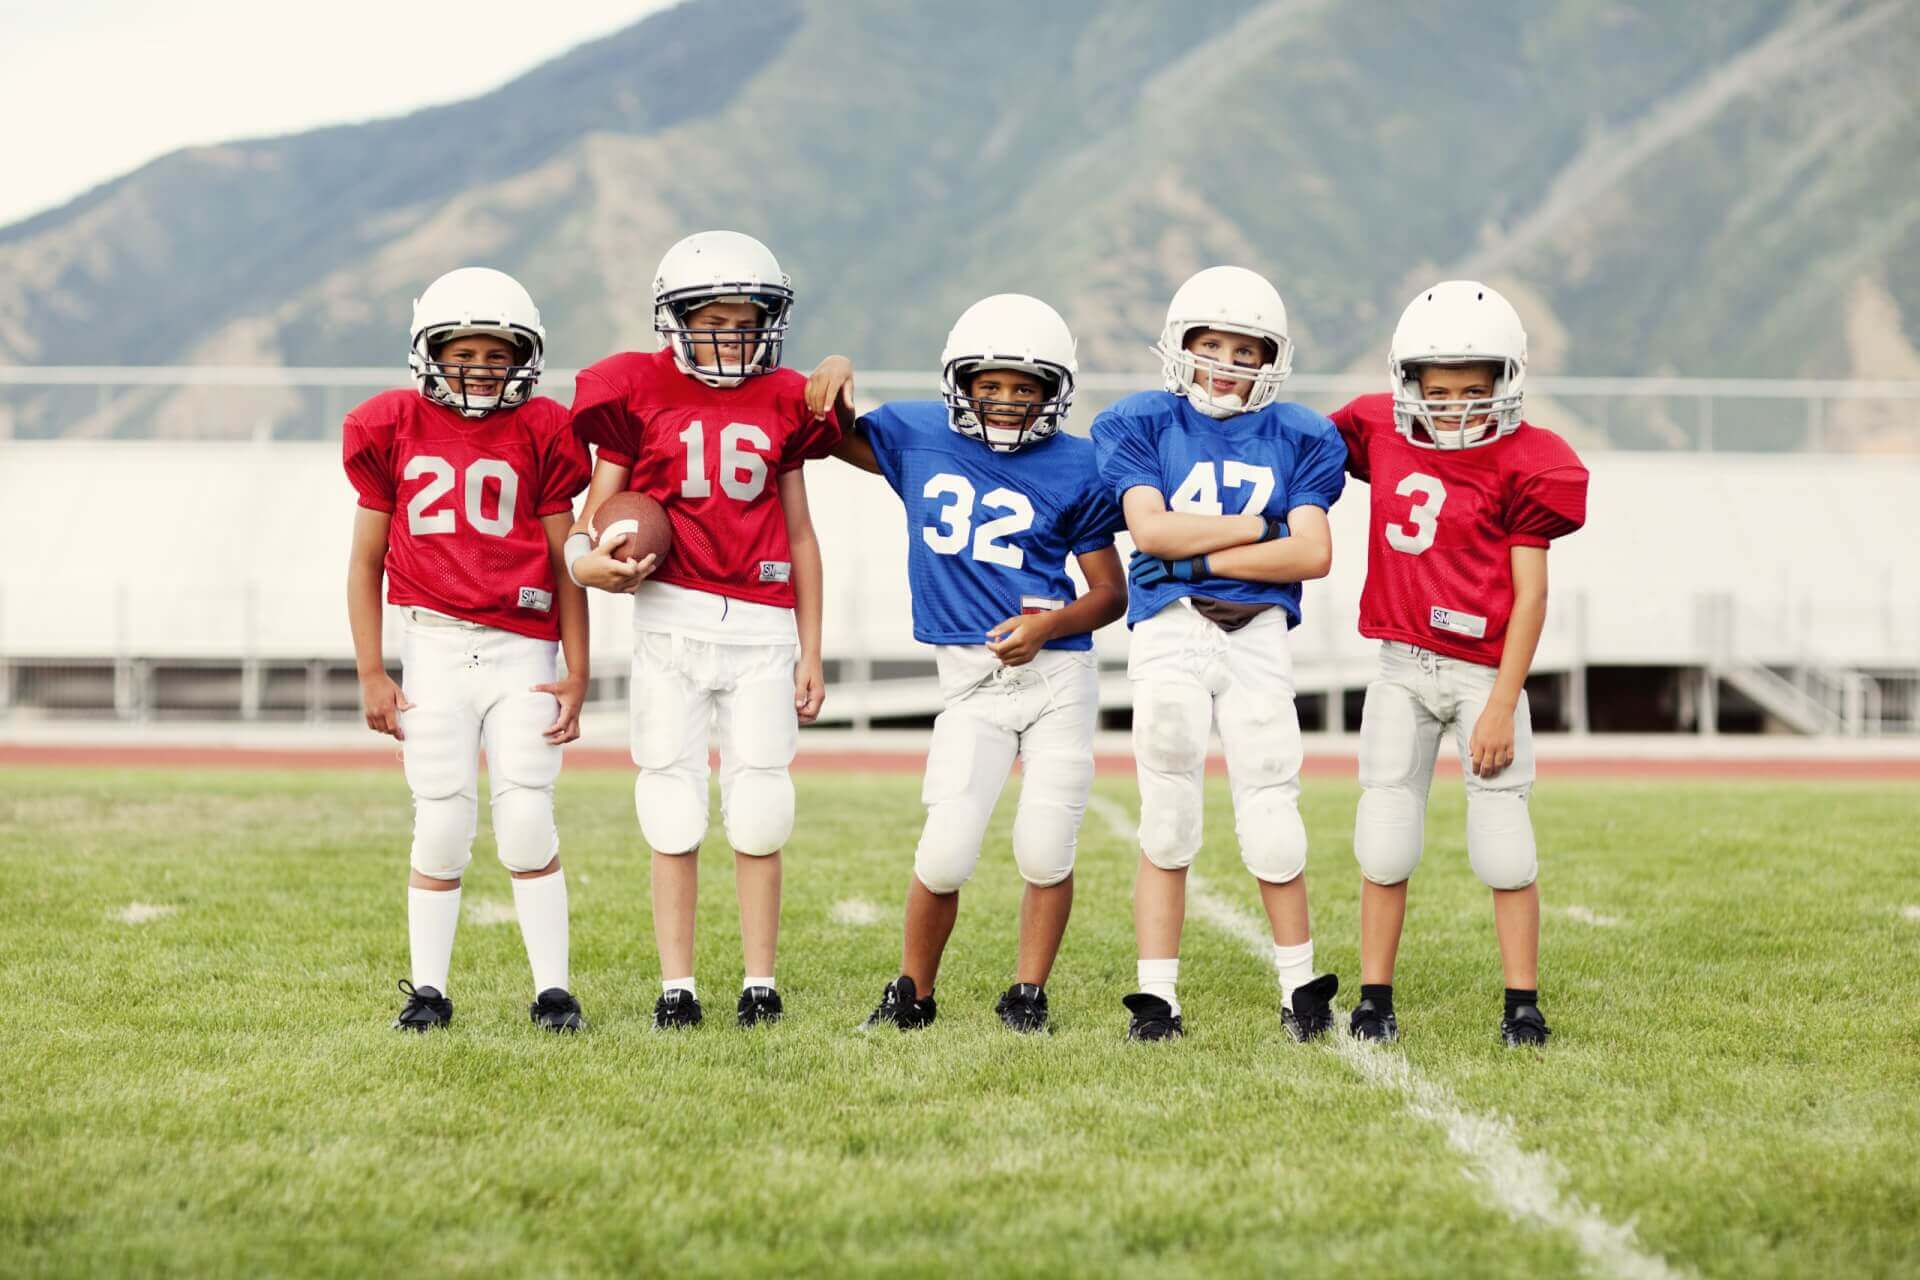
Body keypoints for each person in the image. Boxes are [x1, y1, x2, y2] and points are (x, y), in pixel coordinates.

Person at [806, 295, 1126, 1034]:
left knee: (1046, 847)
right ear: (962, 382)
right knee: (945, 852)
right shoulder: (917, 433)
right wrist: (835, 367)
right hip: (969, 680)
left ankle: (1027, 995)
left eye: (1026, 387)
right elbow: (822, 433)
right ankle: (911, 994)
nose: (1007, 400)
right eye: (991, 384)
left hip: (1057, 676)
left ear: (1054, 393)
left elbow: (1110, 594)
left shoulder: (1079, 465)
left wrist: (1051, 625)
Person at [567, 230, 837, 1030]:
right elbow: (594, 512)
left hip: (762, 625)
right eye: (712, 318)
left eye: (746, 320)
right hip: (668, 619)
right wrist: (585, 563)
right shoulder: (635, 390)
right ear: (676, 320)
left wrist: (812, 647)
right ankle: (676, 986)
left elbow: (802, 534)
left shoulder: (787, 397)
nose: (731, 335)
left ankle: (761, 982)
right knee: (671, 804)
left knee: (760, 806)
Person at [1089, 265, 1346, 1042]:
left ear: (1272, 360)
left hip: (1258, 631)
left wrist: (1196, 553)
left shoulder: (1301, 433)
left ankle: (1299, 986)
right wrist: (1260, 531)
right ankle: (1156, 996)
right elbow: (1153, 533)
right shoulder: (1141, 421)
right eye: (1212, 345)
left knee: (1272, 804)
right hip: (1169, 627)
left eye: (1246, 350)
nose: (1228, 364)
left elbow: (1314, 555)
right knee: (1168, 807)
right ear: (1181, 347)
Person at [1329, 280, 1588, 1047]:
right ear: (1408, 383)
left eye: (1473, 391)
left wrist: (1505, 700)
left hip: (1482, 673)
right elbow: (1301, 449)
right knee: (1384, 835)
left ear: (1505, 384)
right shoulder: (1376, 426)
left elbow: (1531, 596)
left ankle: (1522, 1004)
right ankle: (1375, 998)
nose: (1453, 407)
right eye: (1437, 390)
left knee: (1505, 846)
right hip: (1400, 664)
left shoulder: (1533, 461)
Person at [344, 266, 590, 1034]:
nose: (481, 369)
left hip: (523, 649)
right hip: (434, 647)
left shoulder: (545, 428)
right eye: (464, 353)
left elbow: (565, 562)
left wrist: (578, 671)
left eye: (497, 355)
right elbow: (365, 562)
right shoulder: (390, 424)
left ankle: (554, 992)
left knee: (525, 821)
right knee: (442, 823)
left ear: (524, 359)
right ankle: (428, 992)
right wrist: (372, 670)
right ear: (430, 352)